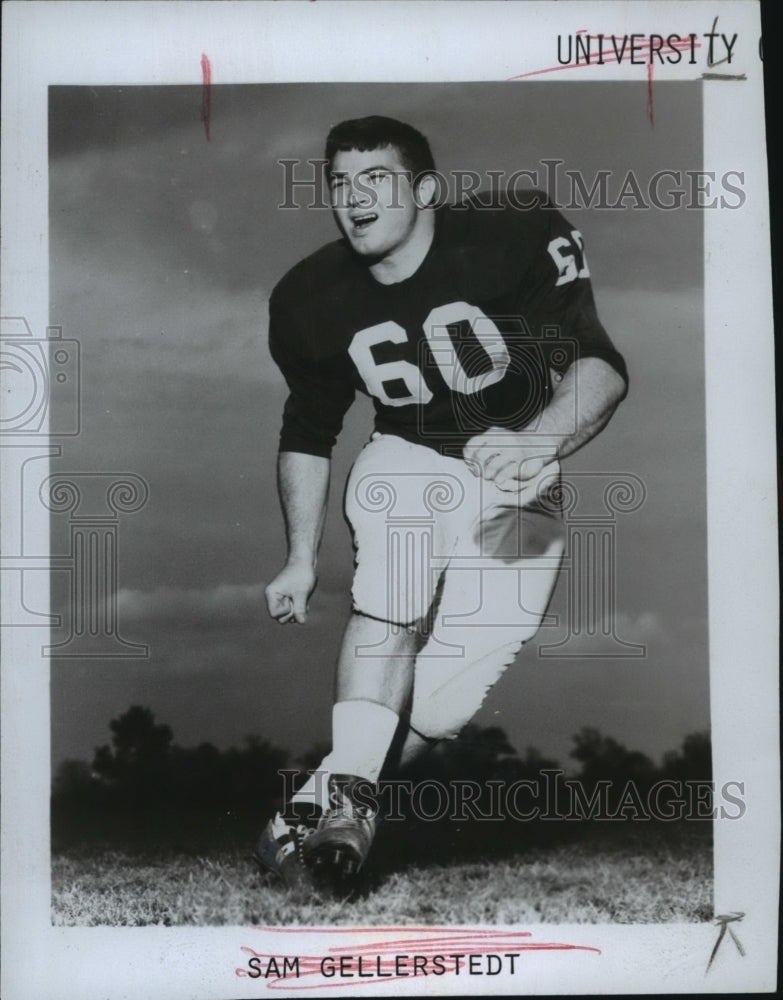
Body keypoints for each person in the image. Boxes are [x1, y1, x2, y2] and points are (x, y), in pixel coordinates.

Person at [254, 115, 628, 888]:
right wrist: (297, 557)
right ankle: (353, 802)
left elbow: (598, 362)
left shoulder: (514, 234)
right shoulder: (307, 297)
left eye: (376, 180)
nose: (353, 199)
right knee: (393, 577)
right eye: (339, 183)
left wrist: (541, 441)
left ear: (424, 188)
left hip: (519, 472)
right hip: (410, 457)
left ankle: (305, 811)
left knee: (448, 702)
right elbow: (309, 429)